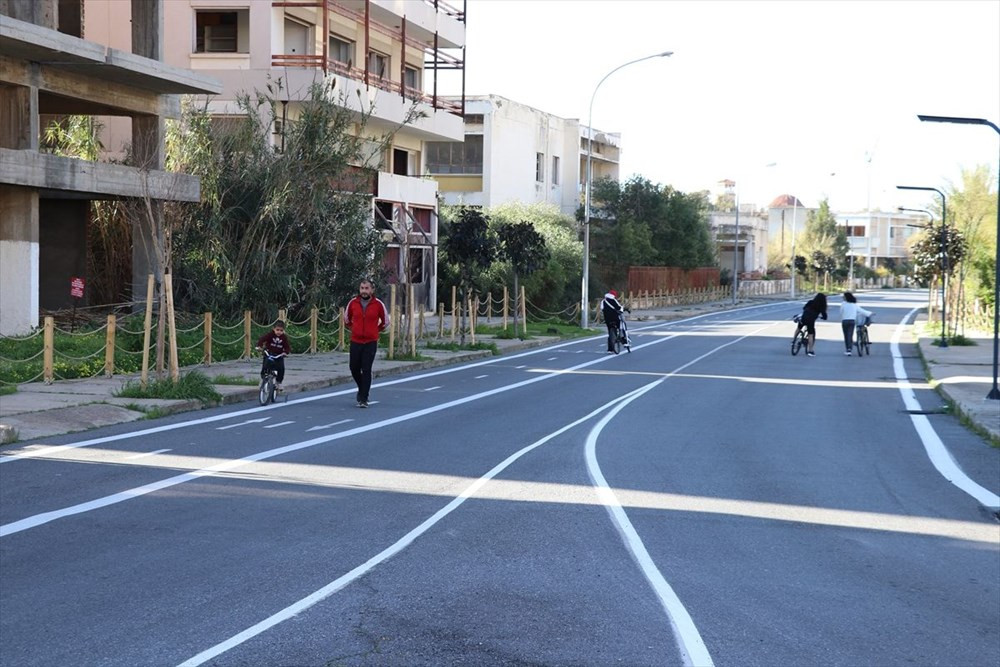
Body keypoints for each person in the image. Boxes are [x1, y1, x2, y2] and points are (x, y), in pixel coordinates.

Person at [344, 278, 388, 408]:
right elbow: (346, 320)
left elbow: (386, 322)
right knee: (354, 368)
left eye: (366, 288)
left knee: (366, 369)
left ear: (372, 290)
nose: (364, 291)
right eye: (362, 288)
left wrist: (376, 330)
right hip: (356, 341)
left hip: (370, 342)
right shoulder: (353, 303)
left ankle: (363, 398)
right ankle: (362, 387)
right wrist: (354, 328)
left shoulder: (378, 304)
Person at [255, 319, 291, 390]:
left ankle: (278, 382)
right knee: (265, 365)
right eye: (277, 330)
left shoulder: (284, 337)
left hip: (279, 355)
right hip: (269, 353)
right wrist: (259, 346)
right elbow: (262, 339)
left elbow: (287, 347)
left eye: (281, 330)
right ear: (273, 329)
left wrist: (285, 352)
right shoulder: (270, 335)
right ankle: (263, 379)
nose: (279, 332)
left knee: (281, 368)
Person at [837, 292, 872, 356]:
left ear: (846, 297)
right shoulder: (854, 304)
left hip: (844, 321)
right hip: (852, 321)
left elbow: (841, 312)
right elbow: (862, 311)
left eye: (843, 296)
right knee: (850, 334)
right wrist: (870, 313)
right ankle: (850, 349)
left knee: (846, 335)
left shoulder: (843, 304)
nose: (842, 297)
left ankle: (848, 349)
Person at [799, 292, 828, 357]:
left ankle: (793, 341)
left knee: (799, 327)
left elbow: (804, 308)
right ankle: (810, 351)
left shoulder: (810, 302)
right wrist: (822, 317)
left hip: (804, 318)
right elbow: (825, 316)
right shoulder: (821, 306)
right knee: (811, 335)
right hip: (811, 321)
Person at [601, 289, 627, 354]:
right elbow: (619, 307)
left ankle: (610, 349)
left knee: (610, 333)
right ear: (614, 295)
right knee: (621, 327)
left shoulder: (603, 301)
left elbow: (602, 309)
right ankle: (624, 342)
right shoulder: (614, 300)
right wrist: (623, 309)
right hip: (615, 318)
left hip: (607, 319)